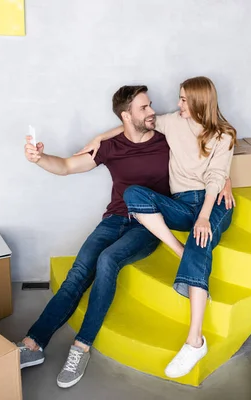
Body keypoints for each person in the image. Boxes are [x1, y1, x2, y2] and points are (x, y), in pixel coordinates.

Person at [77, 76, 236, 378]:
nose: (177, 105)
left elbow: (216, 178)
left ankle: (194, 340)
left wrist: (204, 215)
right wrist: (100, 137)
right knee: (133, 193)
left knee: (200, 243)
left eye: (184, 100)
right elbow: (134, 123)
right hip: (180, 202)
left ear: (201, 102)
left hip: (212, 203)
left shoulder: (224, 135)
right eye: (179, 98)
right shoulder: (174, 122)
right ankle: (177, 248)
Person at [19, 85, 170, 388]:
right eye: (144, 108)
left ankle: (81, 346)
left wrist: (225, 181)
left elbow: (207, 142)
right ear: (126, 115)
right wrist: (39, 158)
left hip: (149, 224)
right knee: (78, 273)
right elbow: (65, 166)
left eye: (150, 105)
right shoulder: (111, 146)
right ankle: (34, 343)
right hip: (115, 219)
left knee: (108, 259)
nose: (152, 111)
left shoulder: (168, 139)